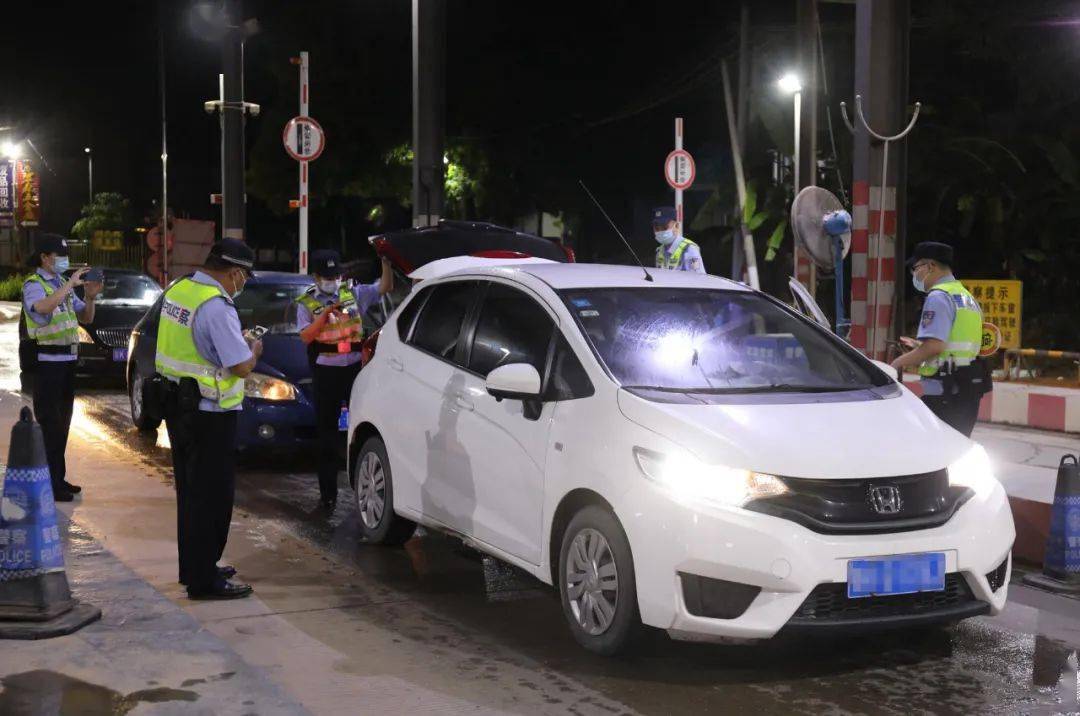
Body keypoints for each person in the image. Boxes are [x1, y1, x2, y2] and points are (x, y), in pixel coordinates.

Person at [155, 239, 260, 599]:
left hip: (178, 408)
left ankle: (195, 568)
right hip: (209, 415)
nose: (242, 284)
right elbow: (241, 365)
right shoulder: (217, 307)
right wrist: (254, 349)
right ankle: (205, 581)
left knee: (191, 494)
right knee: (213, 499)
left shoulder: (180, 289)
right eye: (243, 277)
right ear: (234, 272)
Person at [295, 249, 394, 510]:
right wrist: (323, 316)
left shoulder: (354, 294)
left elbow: (385, 286)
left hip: (353, 370)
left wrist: (386, 260)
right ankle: (328, 494)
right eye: (327, 276)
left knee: (361, 428)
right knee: (327, 435)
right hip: (325, 372)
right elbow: (306, 336)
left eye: (336, 274)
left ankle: (362, 487)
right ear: (316, 277)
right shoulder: (305, 303)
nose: (333, 279)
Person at [22, 233, 102, 501]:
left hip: (67, 364)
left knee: (63, 425)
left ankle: (58, 479)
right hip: (47, 366)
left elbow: (86, 317)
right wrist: (69, 285)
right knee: (50, 426)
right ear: (45, 258)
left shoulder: (59, 285)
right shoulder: (34, 285)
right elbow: (42, 308)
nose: (64, 260)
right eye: (59, 255)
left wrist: (90, 297)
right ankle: (49, 484)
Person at [891, 242, 990, 437]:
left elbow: (935, 346)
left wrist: (896, 363)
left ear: (930, 267)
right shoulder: (966, 297)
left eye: (916, 268)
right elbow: (959, 344)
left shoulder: (938, 297)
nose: (914, 275)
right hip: (968, 388)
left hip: (945, 391)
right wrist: (920, 347)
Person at [652, 206, 705, 273]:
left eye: (665, 228)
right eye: (656, 228)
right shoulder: (659, 251)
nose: (660, 231)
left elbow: (699, 280)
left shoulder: (689, 250)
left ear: (676, 226)